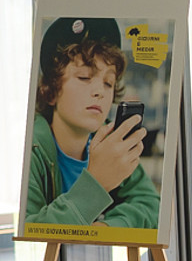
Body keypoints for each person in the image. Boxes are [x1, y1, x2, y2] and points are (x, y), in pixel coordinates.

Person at [25, 16, 159, 229]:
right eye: (85, 77)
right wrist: (97, 182)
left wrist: (108, 228)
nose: (99, 91)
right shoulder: (30, 148)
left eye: (108, 83)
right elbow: (30, 227)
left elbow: (151, 205)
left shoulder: (111, 142)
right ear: (49, 91)